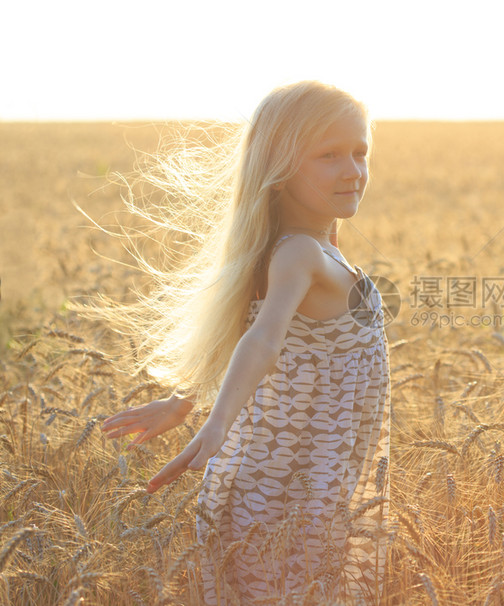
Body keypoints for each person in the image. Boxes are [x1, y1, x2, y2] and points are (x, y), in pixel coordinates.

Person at [96, 81, 391, 604]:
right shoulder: (300, 252)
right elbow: (262, 340)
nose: (353, 170)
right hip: (294, 494)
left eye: (360, 152)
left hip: (301, 483)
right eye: (329, 155)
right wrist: (215, 423)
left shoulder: (312, 244)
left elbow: (243, 329)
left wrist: (184, 400)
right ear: (279, 170)